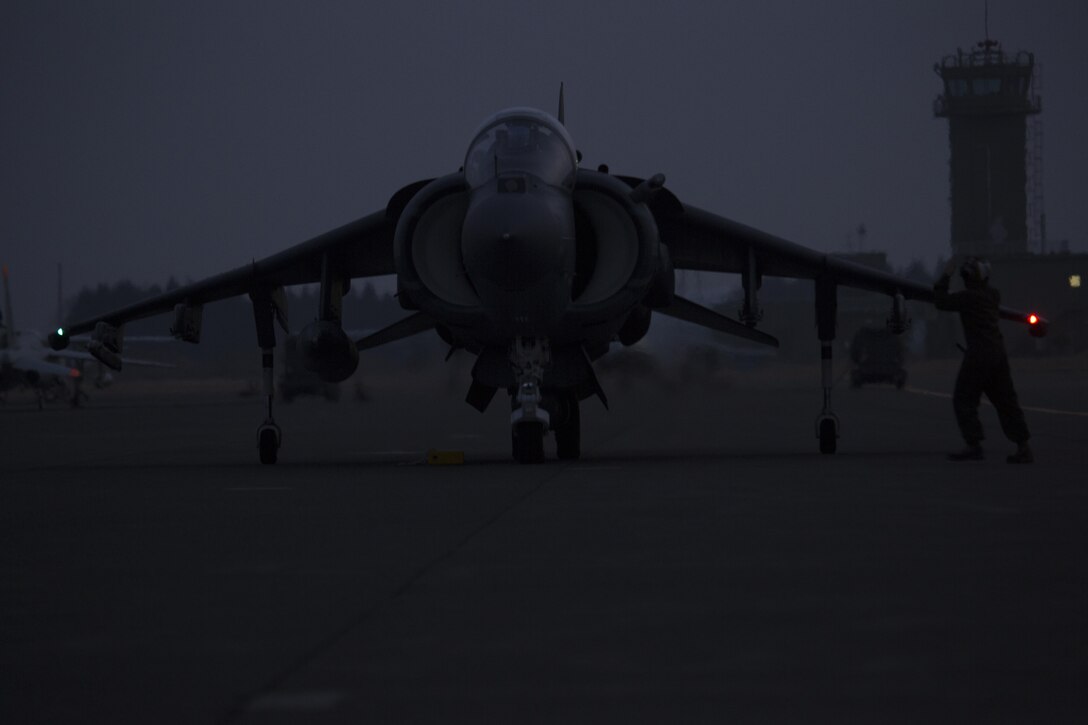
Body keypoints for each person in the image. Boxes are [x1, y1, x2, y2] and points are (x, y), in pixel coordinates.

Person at [934, 256, 1033, 463]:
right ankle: (1023, 446)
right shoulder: (992, 295)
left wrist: (946, 274)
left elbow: (941, 301)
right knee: (1006, 401)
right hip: (998, 354)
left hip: (978, 356)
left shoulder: (968, 298)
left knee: (964, 399)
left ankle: (973, 444)